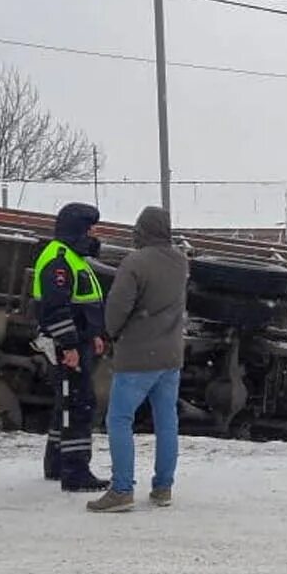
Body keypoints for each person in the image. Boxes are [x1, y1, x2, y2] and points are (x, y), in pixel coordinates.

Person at [88, 206, 188, 513]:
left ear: (141, 230)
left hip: (138, 356)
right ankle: (163, 487)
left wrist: (110, 333)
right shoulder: (181, 261)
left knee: (119, 419)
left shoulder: (135, 263)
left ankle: (121, 490)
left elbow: (117, 310)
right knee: (166, 421)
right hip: (170, 355)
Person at [34, 203, 109, 492]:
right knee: (78, 404)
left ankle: (56, 463)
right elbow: (55, 308)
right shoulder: (60, 259)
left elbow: (84, 304)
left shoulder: (74, 258)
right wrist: (69, 345)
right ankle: (75, 471)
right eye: (90, 228)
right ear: (78, 229)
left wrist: (94, 335)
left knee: (67, 403)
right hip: (69, 345)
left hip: (80, 341)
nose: (94, 234)